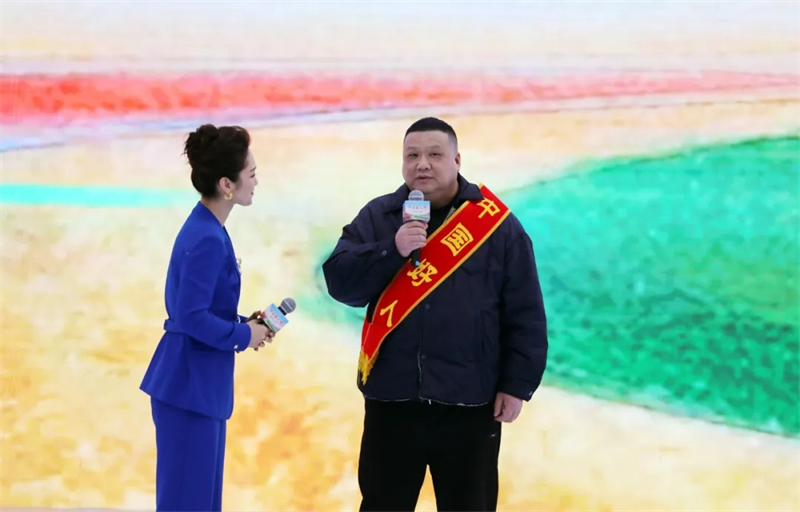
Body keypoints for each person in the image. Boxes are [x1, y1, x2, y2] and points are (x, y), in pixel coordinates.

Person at [322, 117, 548, 512]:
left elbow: (525, 314)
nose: (422, 164)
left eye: (434, 155)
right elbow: (340, 283)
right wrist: (392, 249)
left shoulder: (496, 226)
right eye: (412, 155)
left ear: (457, 160)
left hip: (469, 404)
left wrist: (516, 385)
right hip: (391, 400)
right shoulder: (379, 216)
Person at [140, 123, 273, 512]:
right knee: (189, 501)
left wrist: (245, 325)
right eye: (251, 174)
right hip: (190, 386)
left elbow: (201, 309)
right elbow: (192, 316)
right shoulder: (207, 237)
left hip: (197, 385)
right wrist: (242, 336)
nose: (256, 181)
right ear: (227, 184)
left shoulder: (208, 228)